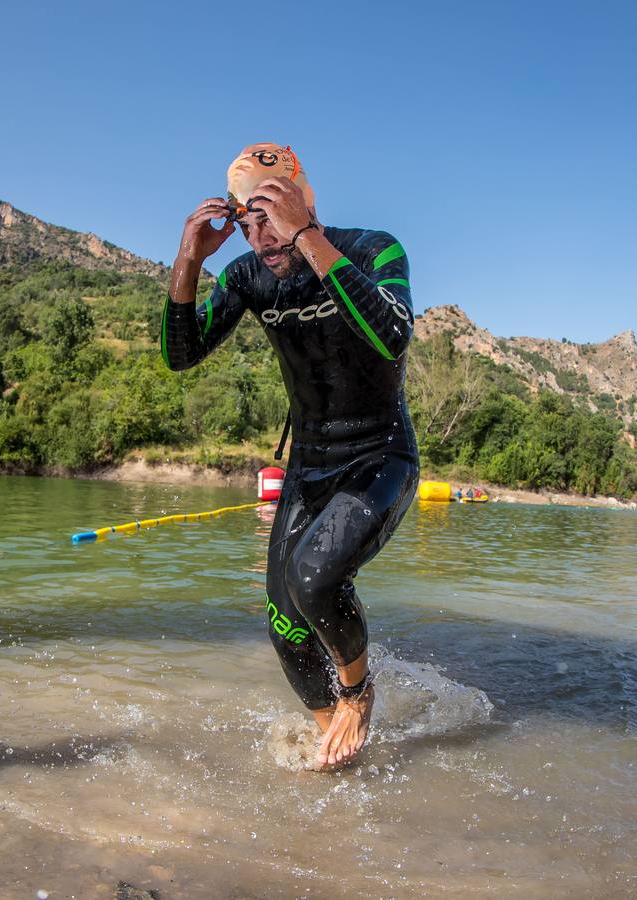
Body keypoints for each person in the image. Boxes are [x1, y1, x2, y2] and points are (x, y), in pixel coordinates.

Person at [162, 143, 419, 767]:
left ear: (304, 202)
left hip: (378, 455)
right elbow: (180, 354)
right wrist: (188, 262)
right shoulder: (249, 277)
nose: (262, 236)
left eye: (271, 214)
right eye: (248, 222)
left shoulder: (371, 249)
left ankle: (358, 691)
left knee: (316, 580)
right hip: (309, 465)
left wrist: (307, 237)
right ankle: (339, 745)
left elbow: (392, 337)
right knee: (285, 626)